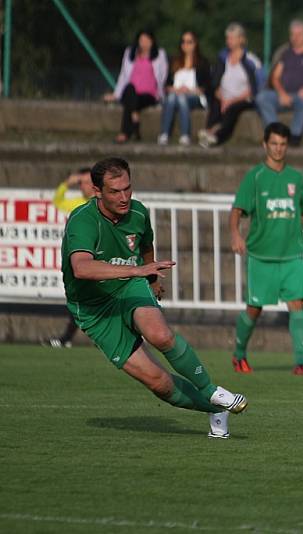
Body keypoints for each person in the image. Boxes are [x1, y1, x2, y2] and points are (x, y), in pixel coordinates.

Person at [62, 157, 248, 438]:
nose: (124, 197)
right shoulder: (83, 220)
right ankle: (214, 409)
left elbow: (145, 244)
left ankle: (212, 391)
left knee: (160, 335)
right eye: (115, 191)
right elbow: (81, 267)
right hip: (94, 310)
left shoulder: (138, 212)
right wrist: (138, 268)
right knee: (158, 383)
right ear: (97, 191)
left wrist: (149, 279)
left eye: (128, 188)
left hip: (129, 287)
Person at [229, 122, 303, 375]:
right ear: (265, 145)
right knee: (254, 309)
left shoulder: (296, 178)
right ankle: (239, 355)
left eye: (282, 144)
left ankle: (300, 363)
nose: (278, 149)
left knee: (297, 305)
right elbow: (236, 211)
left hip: (291, 255)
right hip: (261, 256)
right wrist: (235, 234)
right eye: (274, 144)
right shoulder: (255, 177)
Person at [255, 19, 303, 146]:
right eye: (292, 34)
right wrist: (281, 93)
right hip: (283, 95)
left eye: (298, 34)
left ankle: (295, 135)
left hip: (302, 96)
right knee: (261, 98)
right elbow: (275, 76)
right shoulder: (285, 52)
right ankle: (276, 132)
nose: (294, 38)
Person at [46, 168, 94, 349]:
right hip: (82, 258)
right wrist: (66, 184)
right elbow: (57, 202)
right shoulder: (78, 203)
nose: (83, 186)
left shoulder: (104, 203)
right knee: (79, 298)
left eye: (87, 182)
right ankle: (67, 338)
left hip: (101, 257)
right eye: (81, 183)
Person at [198, 23, 263, 148]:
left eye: (232, 38)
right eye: (228, 38)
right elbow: (215, 82)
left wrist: (231, 101)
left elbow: (254, 88)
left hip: (242, 99)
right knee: (216, 104)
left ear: (241, 39)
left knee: (232, 109)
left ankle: (217, 135)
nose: (229, 41)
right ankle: (209, 130)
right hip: (224, 97)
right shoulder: (222, 58)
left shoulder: (251, 60)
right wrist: (222, 98)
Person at [104, 30, 168, 144]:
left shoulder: (159, 54)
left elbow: (162, 76)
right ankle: (134, 117)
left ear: (152, 42)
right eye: (142, 40)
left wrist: (160, 94)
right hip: (131, 91)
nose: (144, 43)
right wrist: (116, 94)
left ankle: (125, 132)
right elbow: (123, 75)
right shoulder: (130, 53)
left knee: (131, 100)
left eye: (147, 40)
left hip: (149, 94)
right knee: (130, 89)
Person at [158, 31, 210, 146]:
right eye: (183, 42)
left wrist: (190, 90)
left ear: (195, 44)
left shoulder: (202, 62)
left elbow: (206, 86)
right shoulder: (174, 61)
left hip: (195, 96)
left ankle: (185, 134)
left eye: (189, 42)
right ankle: (164, 134)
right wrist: (176, 90)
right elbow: (167, 85)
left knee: (181, 98)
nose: (186, 45)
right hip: (176, 94)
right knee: (171, 98)